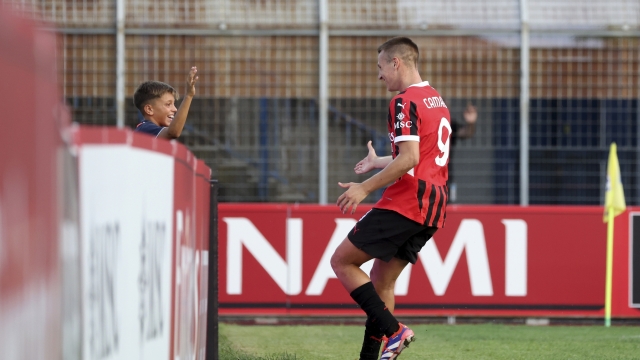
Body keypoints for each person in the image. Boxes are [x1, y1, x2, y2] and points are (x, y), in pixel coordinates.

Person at [331, 37, 451, 360]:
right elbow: (421, 155)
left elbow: (410, 158)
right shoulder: (436, 101)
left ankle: (394, 331)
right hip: (433, 209)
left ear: (395, 63)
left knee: (341, 261)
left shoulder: (404, 101)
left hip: (406, 202)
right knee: (381, 281)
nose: (379, 75)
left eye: (380, 66)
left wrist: (364, 187)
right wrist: (379, 161)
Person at [134, 66, 199, 139]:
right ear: (149, 109)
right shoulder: (145, 129)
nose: (175, 109)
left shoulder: (157, 131)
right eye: (168, 104)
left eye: (173, 104)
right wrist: (189, 96)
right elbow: (173, 132)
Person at [448, 103, 478, 202]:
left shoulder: (449, 124)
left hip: (445, 173)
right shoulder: (424, 122)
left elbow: (465, 133)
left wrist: (470, 123)